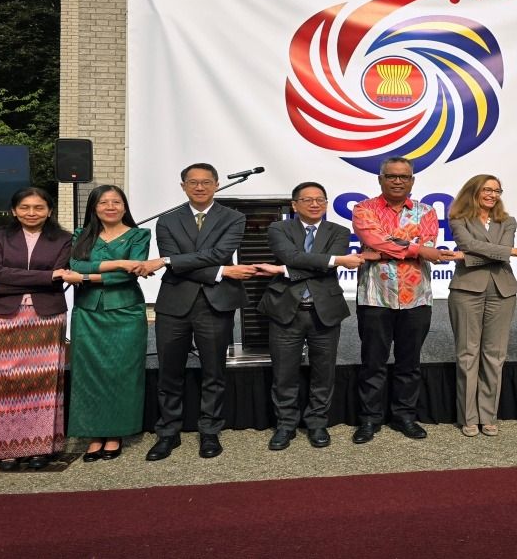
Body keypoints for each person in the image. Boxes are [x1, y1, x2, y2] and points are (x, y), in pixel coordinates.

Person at [142, 163, 264, 461]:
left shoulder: (233, 217)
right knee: (169, 371)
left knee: (214, 371)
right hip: (174, 304)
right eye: (193, 182)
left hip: (215, 303)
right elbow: (185, 260)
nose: (199, 187)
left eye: (206, 182)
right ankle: (168, 431)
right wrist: (220, 271)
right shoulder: (167, 220)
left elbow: (218, 254)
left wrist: (170, 261)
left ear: (216, 184)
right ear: (183, 186)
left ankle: (210, 430)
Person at [350, 156, 451, 444]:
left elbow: (426, 245)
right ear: (380, 179)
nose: (397, 181)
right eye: (391, 176)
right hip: (375, 297)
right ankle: (370, 419)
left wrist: (386, 247)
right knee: (373, 361)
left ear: (412, 181)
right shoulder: (364, 208)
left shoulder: (426, 211)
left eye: (403, 177)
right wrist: (415, 249)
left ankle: (405, 416)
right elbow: (374, 240)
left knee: (410, 362)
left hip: (416, 298)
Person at [257, 182, 364, 451]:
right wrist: (334, 261)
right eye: (308, 199)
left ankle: (317, 422)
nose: (315, 204)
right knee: (284, 373)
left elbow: (313, 264)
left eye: (320, 200)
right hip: (285, 309)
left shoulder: (339, 231)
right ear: (294, 205)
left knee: (324, 372)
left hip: (324, 310)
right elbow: (290, 256)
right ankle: (285, 425)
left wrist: (284, 271)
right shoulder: (279, 228)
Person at [0, 187, 77, 471]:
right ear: (14, 210)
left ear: (49, 211)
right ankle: (7, 448)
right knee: (4, 382)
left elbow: (60, 276)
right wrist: (46, 276)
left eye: (38, 207)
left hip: (46, 315)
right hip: (3, 315)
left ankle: (42, 446)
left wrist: (6, 283)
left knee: (44, 382)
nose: (31, 213)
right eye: (25, 207)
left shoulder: (64, 239)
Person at [445, 175, 517, 437]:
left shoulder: (508, 221)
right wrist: (513, 252)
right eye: (487, 189)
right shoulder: (458, 218)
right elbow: (470, 245)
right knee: (467, 354)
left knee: (495, 355)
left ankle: (488, 416)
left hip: (502, 290)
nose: (492, 195)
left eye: (497, 190)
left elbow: (495, 251)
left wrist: (467, 258)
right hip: (466, 290)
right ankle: (468, 417)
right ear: (474, 191)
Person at [68, 185, 151, 462]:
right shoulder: (81, 234)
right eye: (104, 202)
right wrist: (118, 263)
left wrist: (87, 277)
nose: (110, 207)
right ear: (94, 207)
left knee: (122, 372)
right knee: (88, 373)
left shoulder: (139, 234)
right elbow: (75, 265)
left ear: (125, 206)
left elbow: (130, 274)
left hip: (125, 312)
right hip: (87, 313)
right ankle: (93, 434)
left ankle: (116, 433)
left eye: (116, 202)